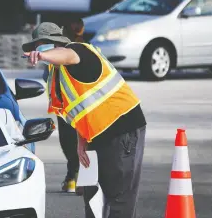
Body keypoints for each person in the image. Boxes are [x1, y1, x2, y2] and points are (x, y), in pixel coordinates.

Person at [22, 22, 147, 218]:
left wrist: (44, 55)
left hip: (122, 129)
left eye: (43, 45)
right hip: (94, 136)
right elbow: (80, 111)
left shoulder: (77, 50)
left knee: (119, 196)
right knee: (92, 195)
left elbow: (68, 55)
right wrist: (81, 142)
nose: (38, 50)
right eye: (36, 47)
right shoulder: (57, 74)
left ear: (56, 43)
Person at [41, 18, 85, 194]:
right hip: (83, 106)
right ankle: (80, 179)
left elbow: (47, 75)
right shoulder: (86, 49)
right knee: (83, 143)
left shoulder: (61, 51)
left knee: (69, 141)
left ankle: (72, 177)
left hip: (66, 105)